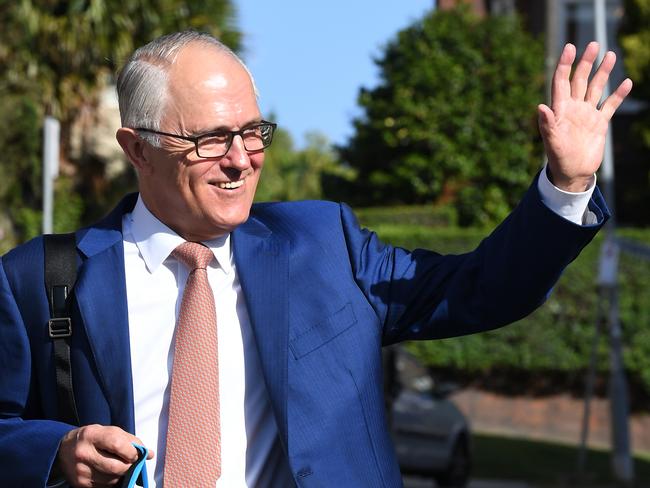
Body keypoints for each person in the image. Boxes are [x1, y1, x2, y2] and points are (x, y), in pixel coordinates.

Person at [0, 30, 632, 487]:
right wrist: (55, 451)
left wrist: (565, 186)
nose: (241, 158)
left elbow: (483, 288)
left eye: (252, 132)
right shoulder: (40, 276)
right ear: (137, 150)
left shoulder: (325, 245)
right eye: (212, 139)